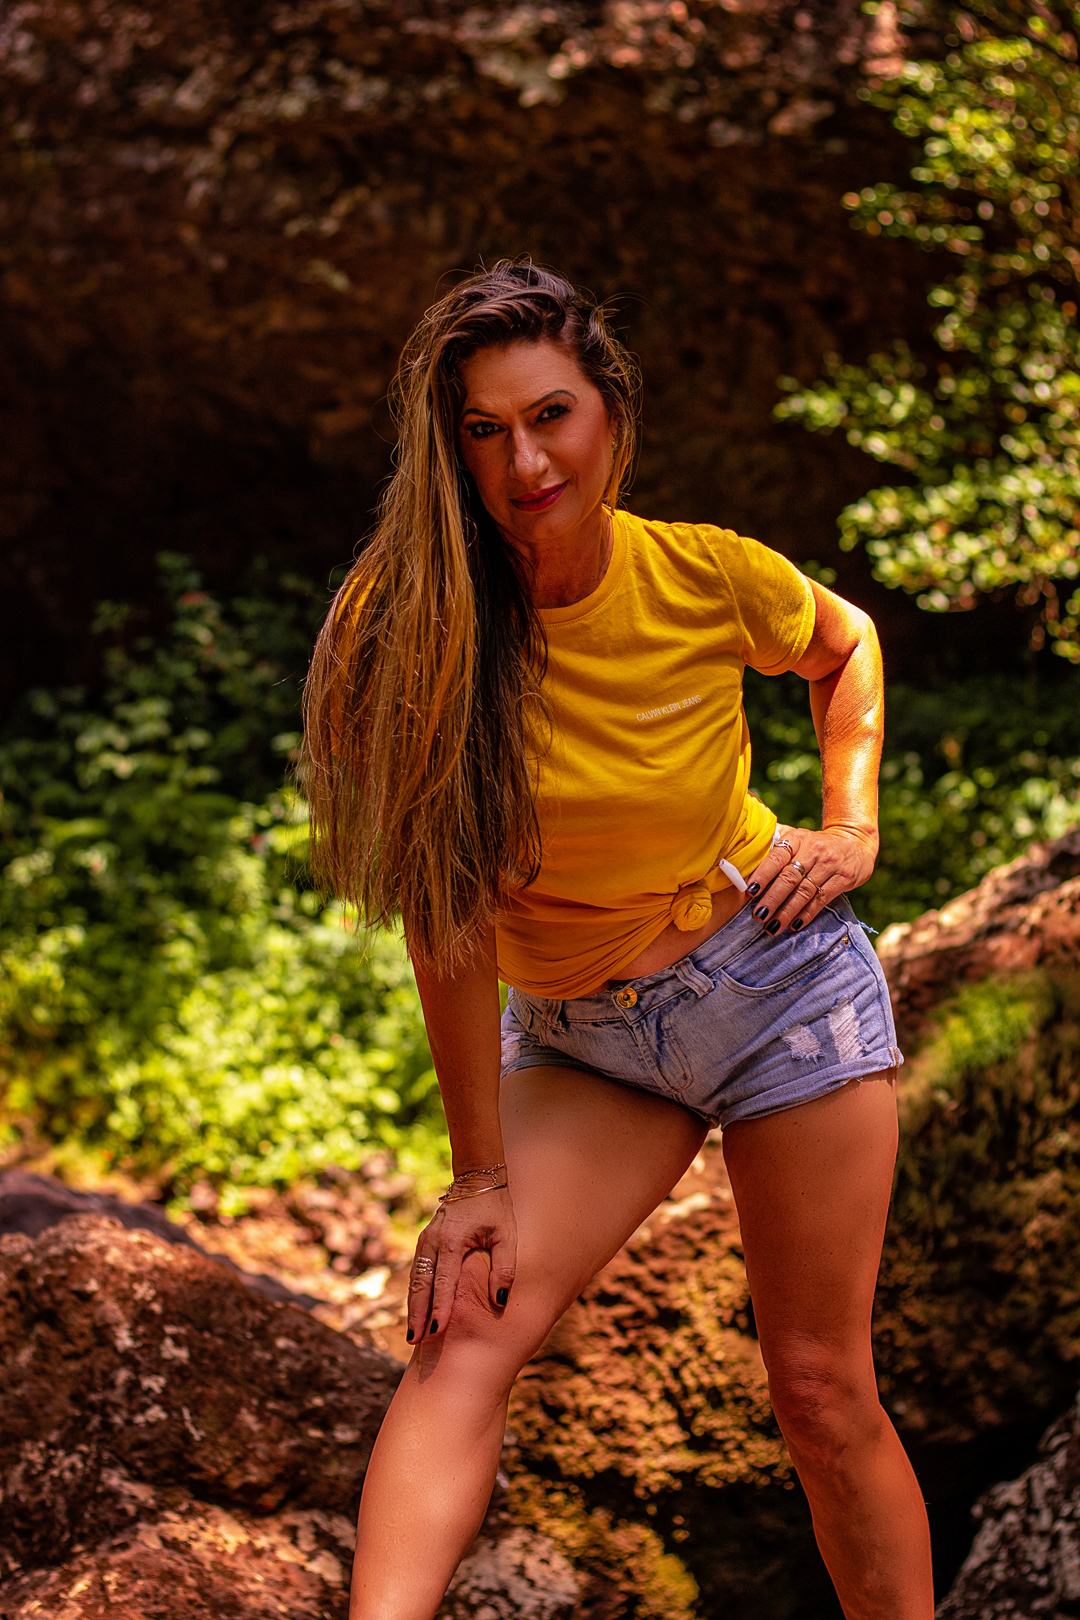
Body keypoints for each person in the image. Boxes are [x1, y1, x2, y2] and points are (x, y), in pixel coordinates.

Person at [303, 260, 934, 1620]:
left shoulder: (704, 575)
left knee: (820, 1390)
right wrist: (477, 1175)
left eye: (553, 415)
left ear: (612, 417)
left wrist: (852, 826)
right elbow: (448, 920)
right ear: (448, 449)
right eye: (485, 429)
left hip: (772, 986)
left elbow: (847, 648)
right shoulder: (404, 628)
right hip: (587, 1040)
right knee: (464, 1326)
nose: (526, 461)